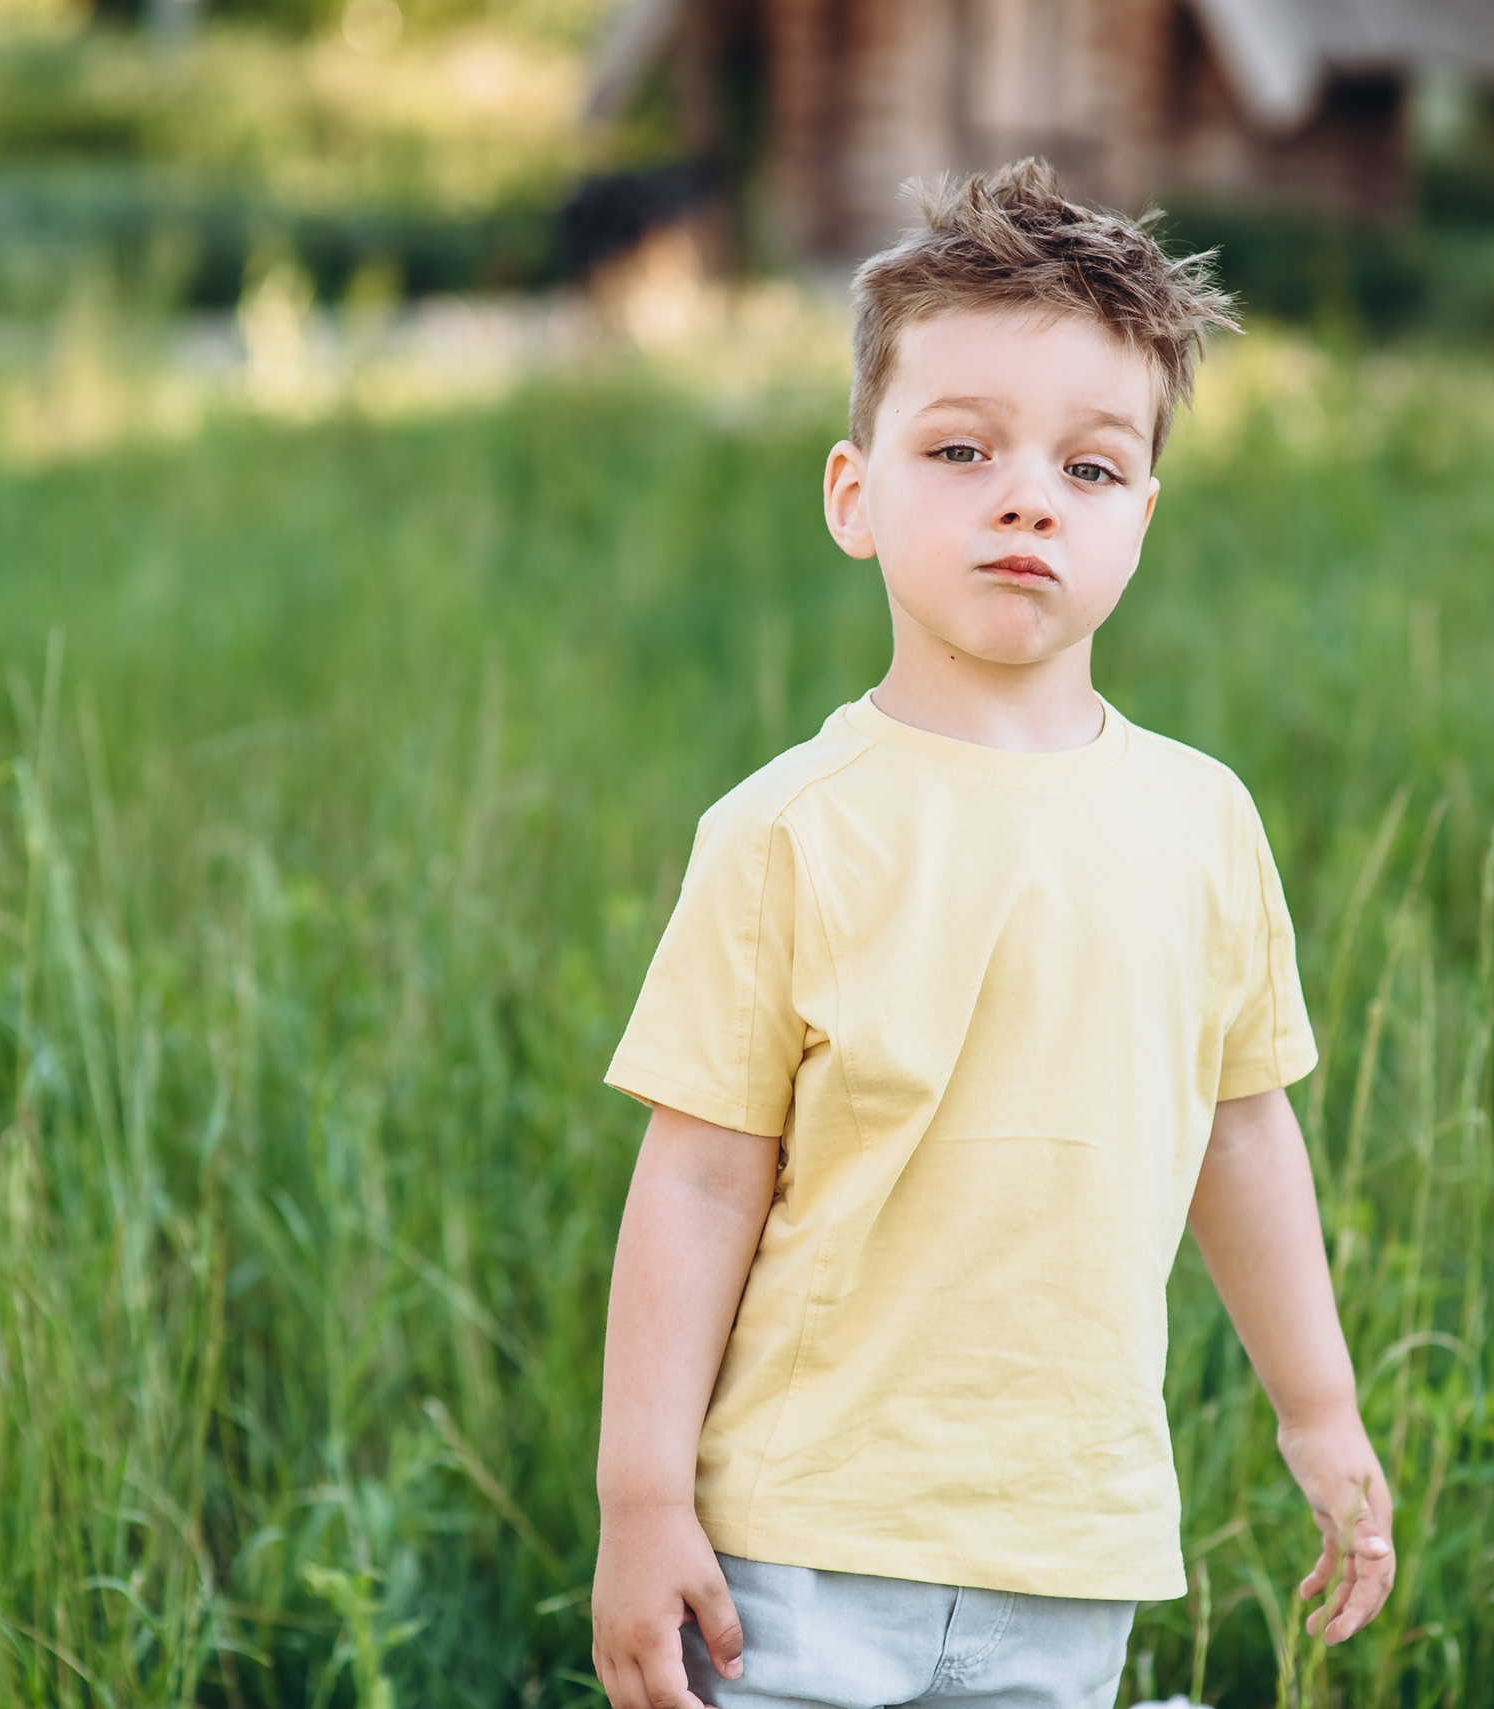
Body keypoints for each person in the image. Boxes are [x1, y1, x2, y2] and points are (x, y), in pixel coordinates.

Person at [589, 157, 1394, 1709]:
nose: (1028, 496)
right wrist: (642, 1497)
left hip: (1068, 1548)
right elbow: (695, 1175)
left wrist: (1321, 1409)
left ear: (1141, 520)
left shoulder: (1201, 822)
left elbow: (1241, 1129)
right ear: (855, 493)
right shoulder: (788, 828)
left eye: (1089, 468)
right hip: (798, 1547)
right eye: (961, 448)